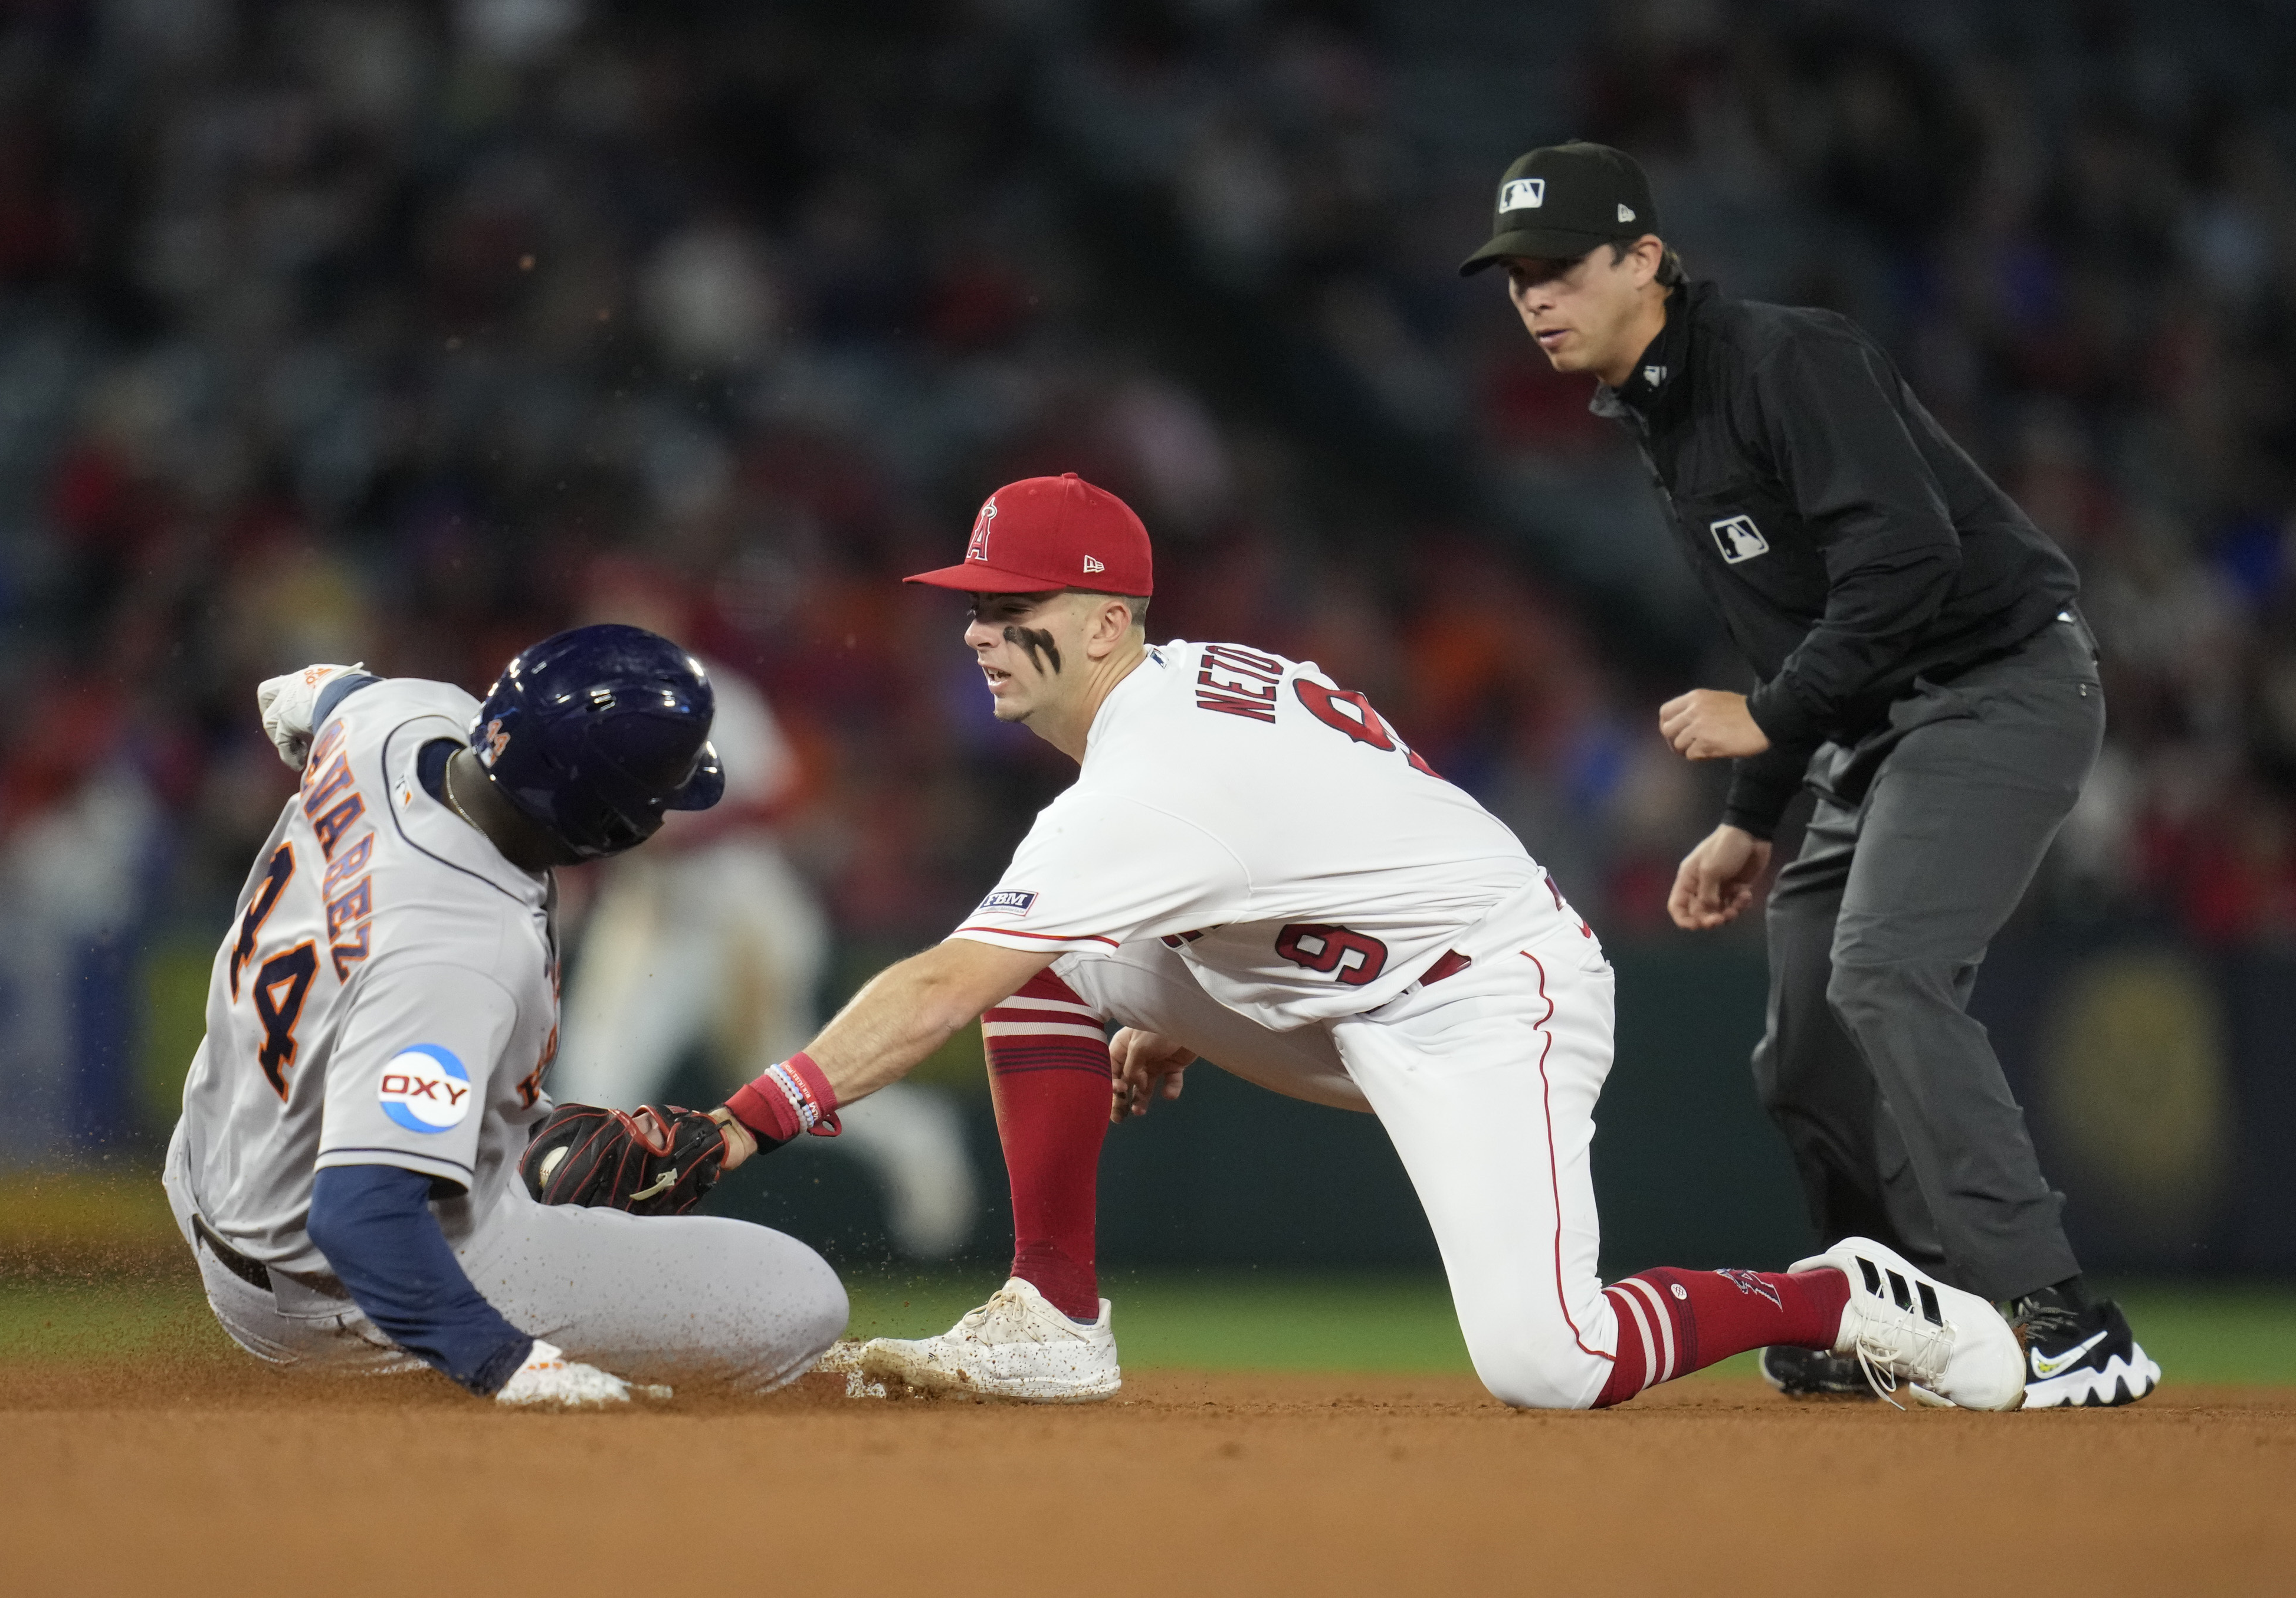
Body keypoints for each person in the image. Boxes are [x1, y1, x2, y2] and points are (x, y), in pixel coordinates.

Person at [651, 472, 2026, 1412]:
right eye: (974, 603)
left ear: (1112, 621)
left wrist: (740, 1128)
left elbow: (945, 984)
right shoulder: (1186, 700)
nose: (984, 631)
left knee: (1549, 1362)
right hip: (1328, 976)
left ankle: (1830, 1296)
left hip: (1484, 996)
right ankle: (1054, 1319)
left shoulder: (1156, 771)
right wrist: (1195, 986)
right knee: (1062, 957)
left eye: (1018, 607)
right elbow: (1353, 817)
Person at [1460, 140, 2160, 1408]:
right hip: (1871, 725)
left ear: (1647, 260)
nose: (1533, 296)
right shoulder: (1661, 410)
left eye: (1560, 266)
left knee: (1887, 968)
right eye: (1516, 277)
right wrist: (1751, 816)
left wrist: (1769, 717)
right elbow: (1793, 627)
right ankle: (1903, 1310)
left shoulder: (1785, 358)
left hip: (1997, 684)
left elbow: (1910, 564)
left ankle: (2064, 1317)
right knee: (1803, 1048)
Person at [162, 625, 846, 1405]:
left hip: (217, 1164)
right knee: (798, 1299)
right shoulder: (461, 954)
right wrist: (516, 1369)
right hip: (335, 1284)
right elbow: (361, 1217)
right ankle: (440, 1369)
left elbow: (318, 690)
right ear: (609, 824)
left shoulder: (402, 717)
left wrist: (298, 708)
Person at [555, 657, 976, 1259]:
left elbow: (782, 794)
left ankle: (916, 1134)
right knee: (593, 1084)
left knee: (777, 1081)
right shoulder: (578, 706)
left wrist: (682, 830)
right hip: (650, 920)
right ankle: (580, 1251)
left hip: (740, 918)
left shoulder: (712, 695)